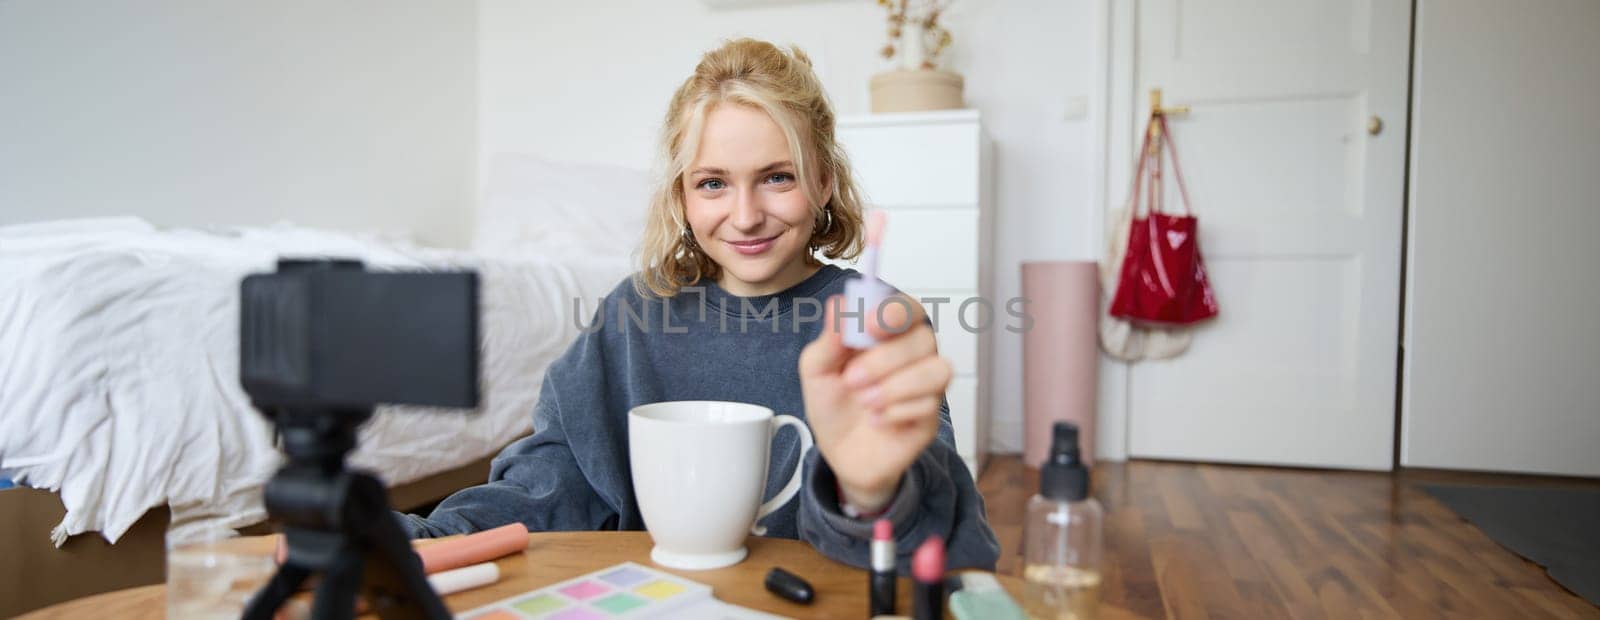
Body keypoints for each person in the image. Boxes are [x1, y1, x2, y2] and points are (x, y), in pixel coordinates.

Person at [399, 38, 999, 570]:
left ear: (823, 181)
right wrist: (418, 538)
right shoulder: (631, 315)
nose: (744, 216)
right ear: (682, 196)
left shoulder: (877, 321)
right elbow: (547, 484)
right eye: (713, 183)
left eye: (778, 177)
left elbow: (957, 551)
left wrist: (872, 492)